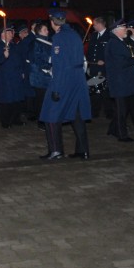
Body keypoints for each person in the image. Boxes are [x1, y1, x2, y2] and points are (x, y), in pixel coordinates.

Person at [39, 9, 91, 160]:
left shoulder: (59, 38)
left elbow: (59, 65)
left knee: (50, 114)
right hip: (78, 79)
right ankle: (83, 150)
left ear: (52, 22)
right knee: (76, 114)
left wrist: (56, 89)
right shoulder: (75, 35)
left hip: (64, 79)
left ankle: (56, 150)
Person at [104, 19, 134, 142]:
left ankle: (112, 129)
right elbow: (119, 62)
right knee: (122, 110)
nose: (126, 30)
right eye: (123, 28)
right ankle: (122, 135)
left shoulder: (120, 41)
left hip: (124, 81)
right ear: (117, 31)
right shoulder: (114, 43)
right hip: (119, 82)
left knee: (121, 109)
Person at [0, 25, 25, 128]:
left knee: (17, 99)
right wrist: (4, 56)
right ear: (3, 34)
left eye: (12, 32)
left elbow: (20, 59)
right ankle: (6, 121)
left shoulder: (14, 45)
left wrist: (22, 71)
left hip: (16, 76)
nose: (12, 34)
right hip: (6, 77)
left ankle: (16, 119)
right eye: (9, 32)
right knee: (7, 100)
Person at [86, 16, 113, 119]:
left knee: (105, 91)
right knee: (94, 90)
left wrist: (105, 61)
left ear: (100, 24)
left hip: (104, 68)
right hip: (94, 67)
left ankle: (109, 112)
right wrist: (88, 61)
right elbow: (90, 51)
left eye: (95, 24)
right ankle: (94, 111)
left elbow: (112, 53)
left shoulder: (110, 36)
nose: (93, 26)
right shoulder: (93, 35)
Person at [29, 21, 52, 130]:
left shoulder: (49, 42)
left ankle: (47, 120)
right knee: (41, 101)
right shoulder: (36, 43)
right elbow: (37, 59)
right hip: (40, 77)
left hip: (48, 77)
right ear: (39, 32)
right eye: (45, 30)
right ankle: (41, 122)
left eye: (47, 29)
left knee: (47, 100)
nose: (47, 31)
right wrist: (49, 64)